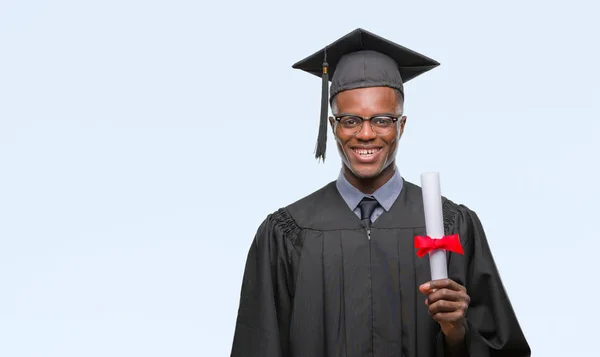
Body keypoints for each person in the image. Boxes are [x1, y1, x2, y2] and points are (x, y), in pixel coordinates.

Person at [229, 28, 530, 357]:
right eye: (351, 120)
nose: (366, 134)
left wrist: (458, 333)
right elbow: (257, 347)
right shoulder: (287, 234)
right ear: (333, 127)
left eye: (382, 120)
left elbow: (502, 349)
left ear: (401, 125)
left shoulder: (452, 225)